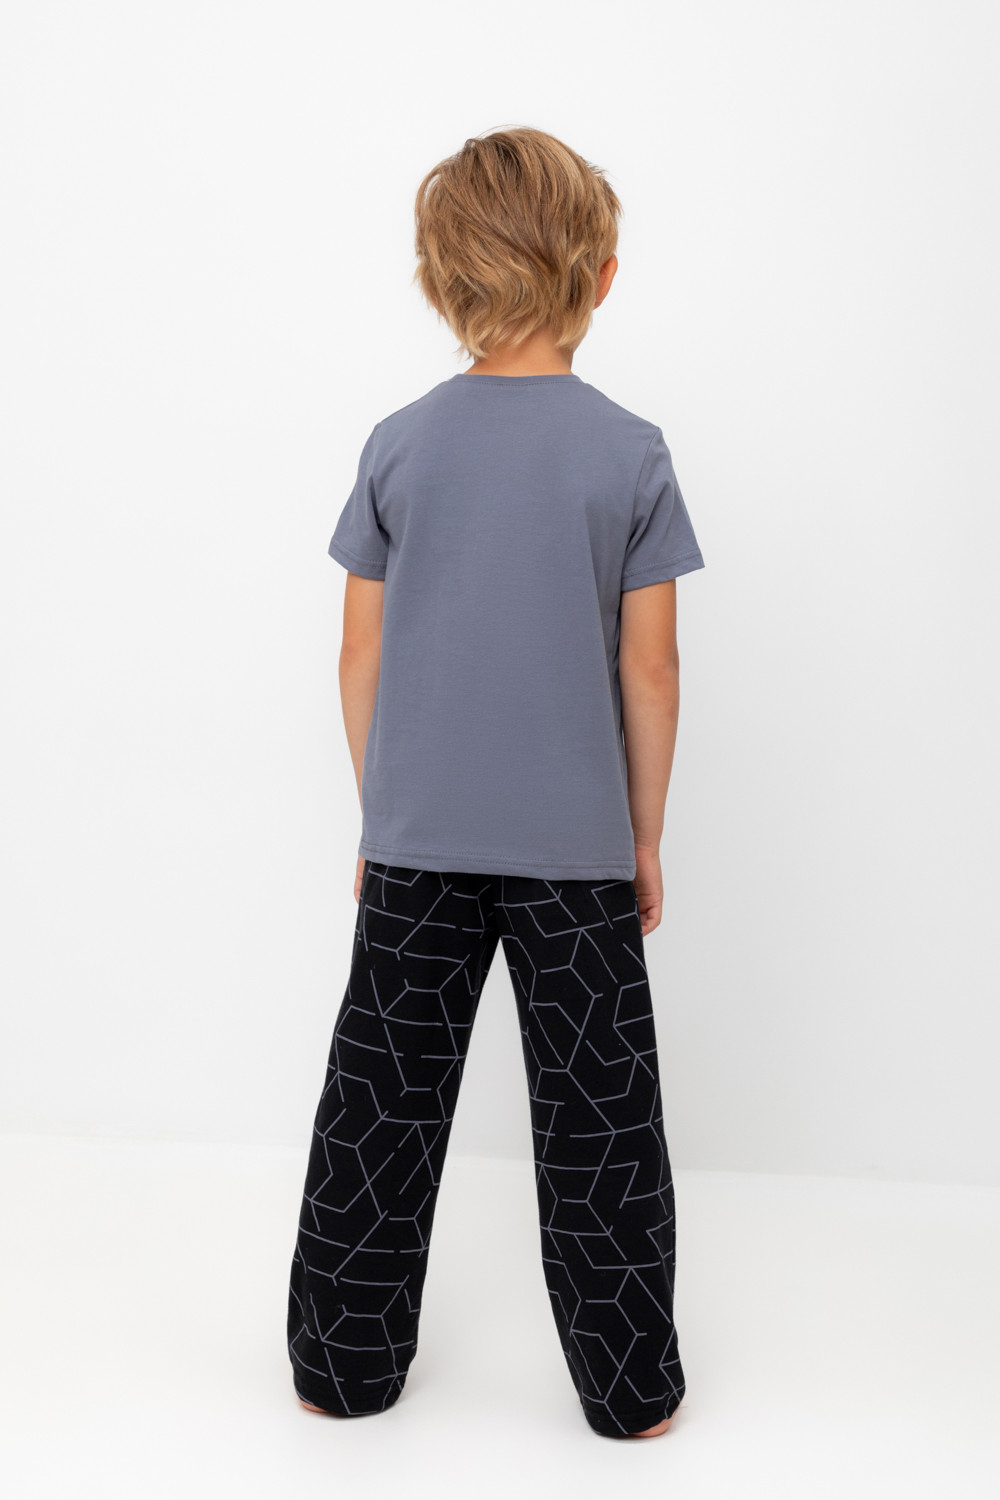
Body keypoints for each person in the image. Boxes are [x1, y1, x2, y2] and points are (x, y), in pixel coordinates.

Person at [287, 125, 706, 1440]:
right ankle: (631, 1394)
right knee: (601, 1122)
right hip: (577, 853)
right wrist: (643, 835)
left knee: (380, 1105)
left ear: (439, 281)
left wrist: (385, 811)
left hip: (418, 842)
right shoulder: (630, 453)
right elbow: (651, 670)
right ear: (603, 276)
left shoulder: (399, 445)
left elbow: (359, 653)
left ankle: (341, 1370)